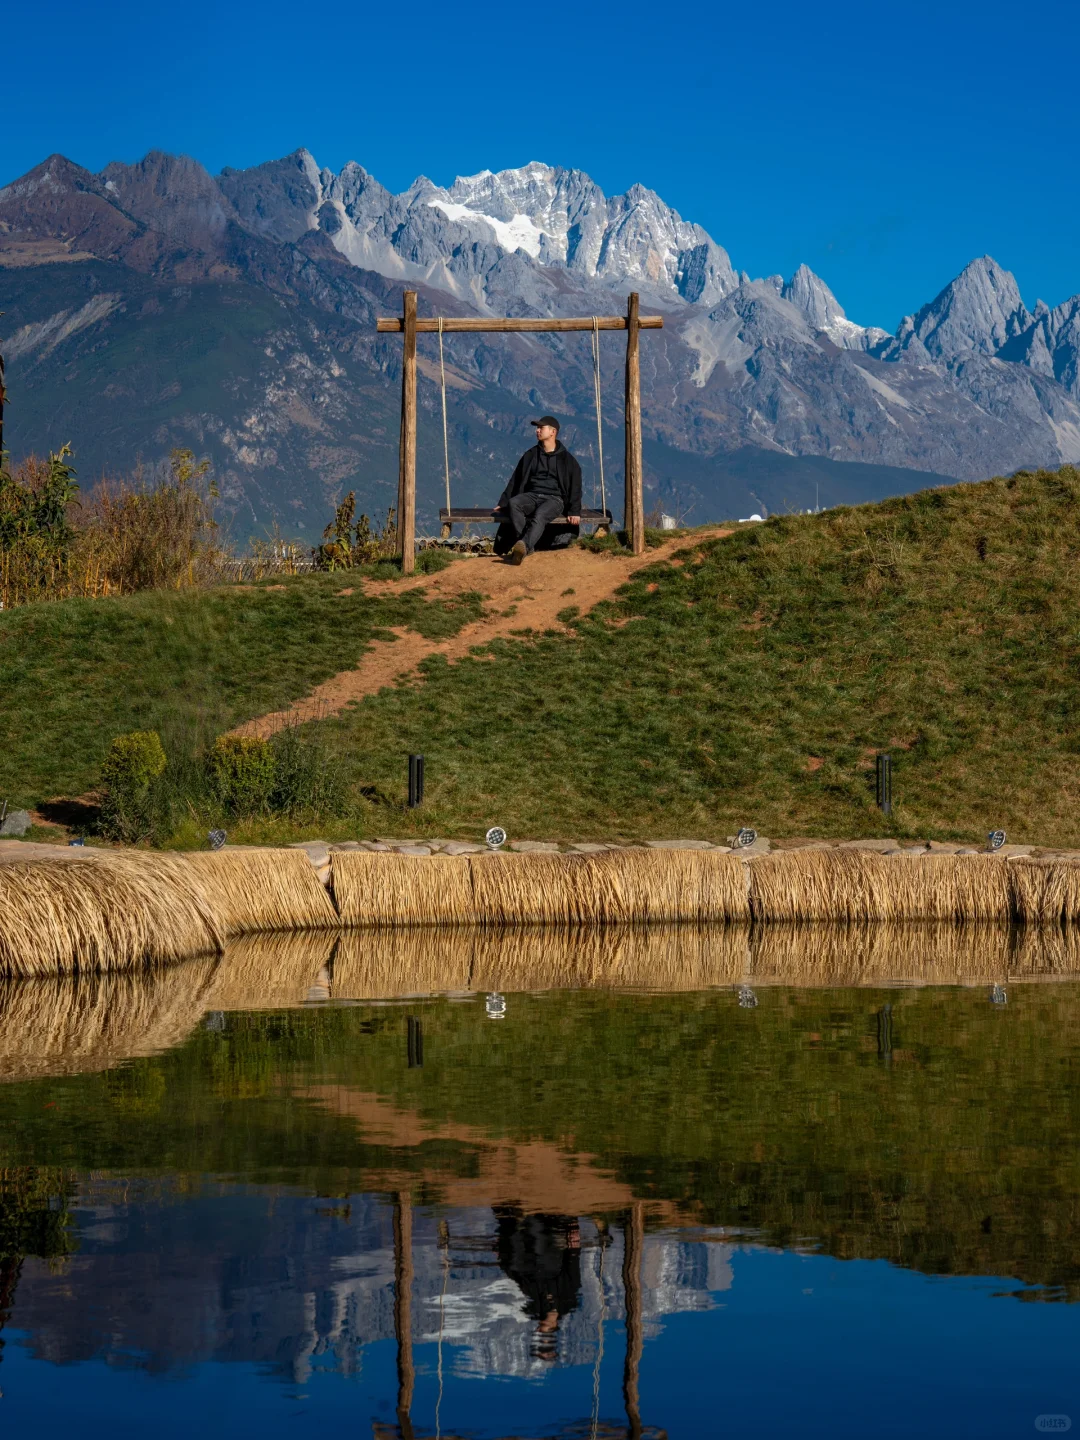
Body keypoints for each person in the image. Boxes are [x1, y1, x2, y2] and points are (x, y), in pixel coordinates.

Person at [493, 417, 582, 564]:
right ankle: (527, 546)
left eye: (541, 428)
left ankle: (524, 546)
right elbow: (516, 479)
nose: (537, 430)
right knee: (514, 503)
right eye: (537, 428)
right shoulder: (531, 455)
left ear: (553, 432)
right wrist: (504, 502)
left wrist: (574, 510)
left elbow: (576, 486)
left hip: (555, 499)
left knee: (540, 514)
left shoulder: (567, 460)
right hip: (532, 495)